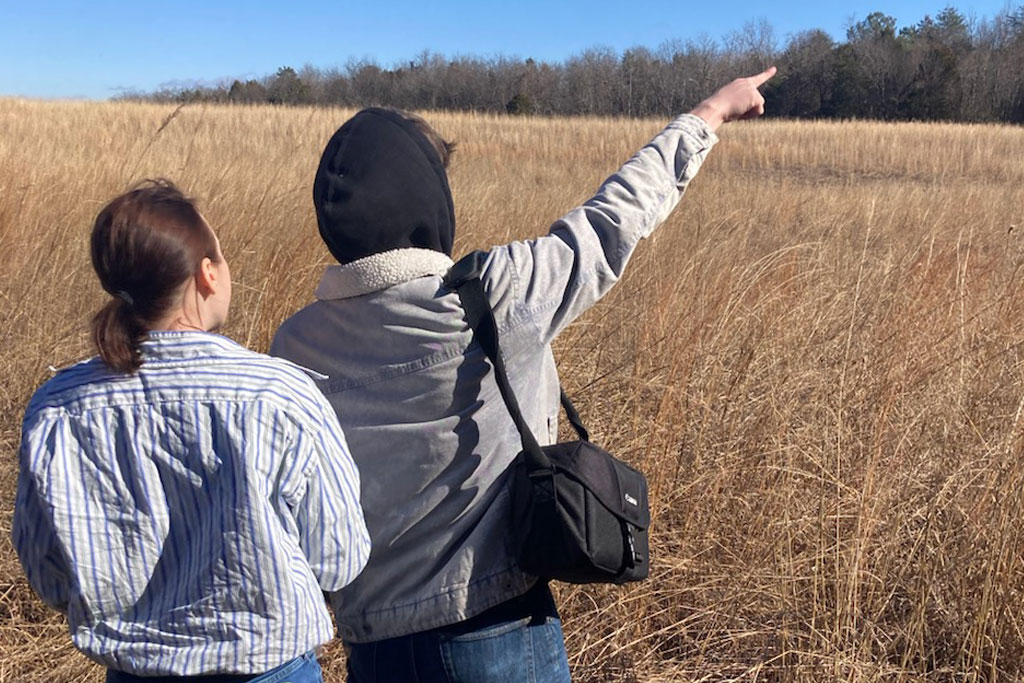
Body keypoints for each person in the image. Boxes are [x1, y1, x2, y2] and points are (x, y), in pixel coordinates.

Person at [270, 68, 776, 682]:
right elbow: (610, 221)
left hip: (373, 647)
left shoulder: (293, 344)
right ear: (425, 203)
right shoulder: (497, 291)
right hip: (499, 627)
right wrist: (708, 114)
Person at [12, 180, 371, 683]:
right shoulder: (278, 394)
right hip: (271, 671)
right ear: (207, 274)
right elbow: (338, 557)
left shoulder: (58, 408)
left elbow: (48, 574)